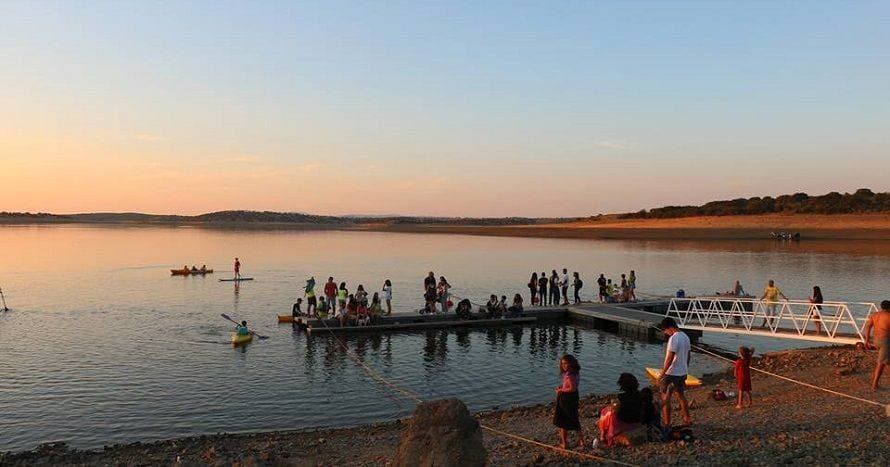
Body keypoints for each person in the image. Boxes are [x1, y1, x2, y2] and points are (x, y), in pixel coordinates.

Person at [658, 317, 692, 427]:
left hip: (671, 373)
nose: (665, 333)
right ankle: (687, 418)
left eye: (665, 330)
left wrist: (662, 373)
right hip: (682, 372)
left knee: (665, 397)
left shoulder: (673, 338)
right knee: (681, 396)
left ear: (670, 328)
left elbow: (670, 358)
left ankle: (667, 422)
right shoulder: (686, 337)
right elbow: (688, 355)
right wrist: (685, 368)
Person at [597, 373, 643, 447]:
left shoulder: (621, 397)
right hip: (637, 421)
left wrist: (612, 407)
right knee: (611, 410)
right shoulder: (640, 395)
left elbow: (615, 410)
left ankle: (603, 435)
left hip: (625, 422)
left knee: (606, 412)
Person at [553, 354, 586, 450]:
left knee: (563, 421)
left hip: (567, 399)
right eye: (562, 363)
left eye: (566, 363)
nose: (563, 365)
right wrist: (562, 387)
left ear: (571, 363)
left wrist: (561, 390)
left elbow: (572, 388)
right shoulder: (575, 373)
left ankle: (565, 443)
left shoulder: (570, 376)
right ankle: (581, 441)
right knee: (574, 419)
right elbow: (572, 387)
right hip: (573, 397)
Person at [864, 300, 890, 390]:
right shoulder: (889, 316)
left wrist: (866, 340)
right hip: (885, 341)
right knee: (881, 363)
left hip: (876, 340)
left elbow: (867, 327)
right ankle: (874, 385)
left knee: (887, 361)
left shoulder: (875, 315)